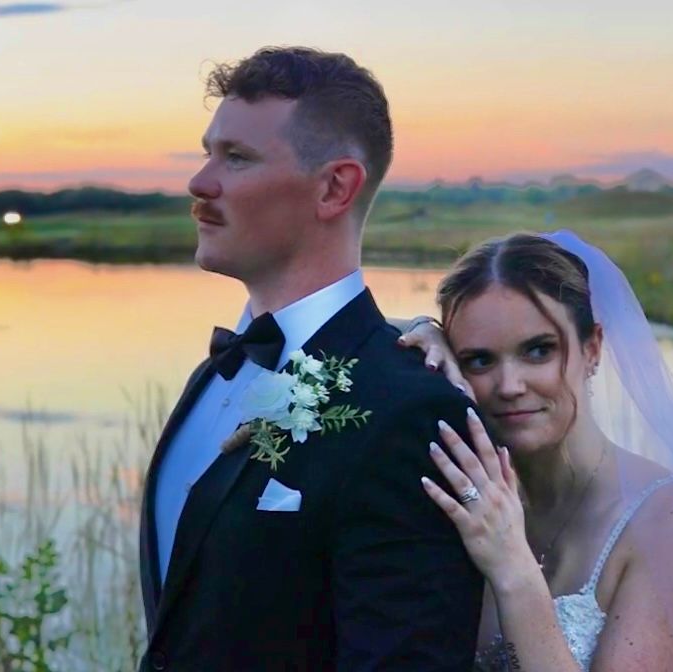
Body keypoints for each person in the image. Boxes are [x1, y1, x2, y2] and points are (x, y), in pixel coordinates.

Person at [137, 47, 484, 671]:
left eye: (237, 158)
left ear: (334, 188)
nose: (200, 182)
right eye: (208, 152)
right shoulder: (213, 375)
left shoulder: (412, 412)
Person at [399, 232, 673, 671]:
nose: (510, 386)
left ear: (593, 348)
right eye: (479, 360)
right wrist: (421, 331)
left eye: (538, 351)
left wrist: (514, 570)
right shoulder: (472, 504)